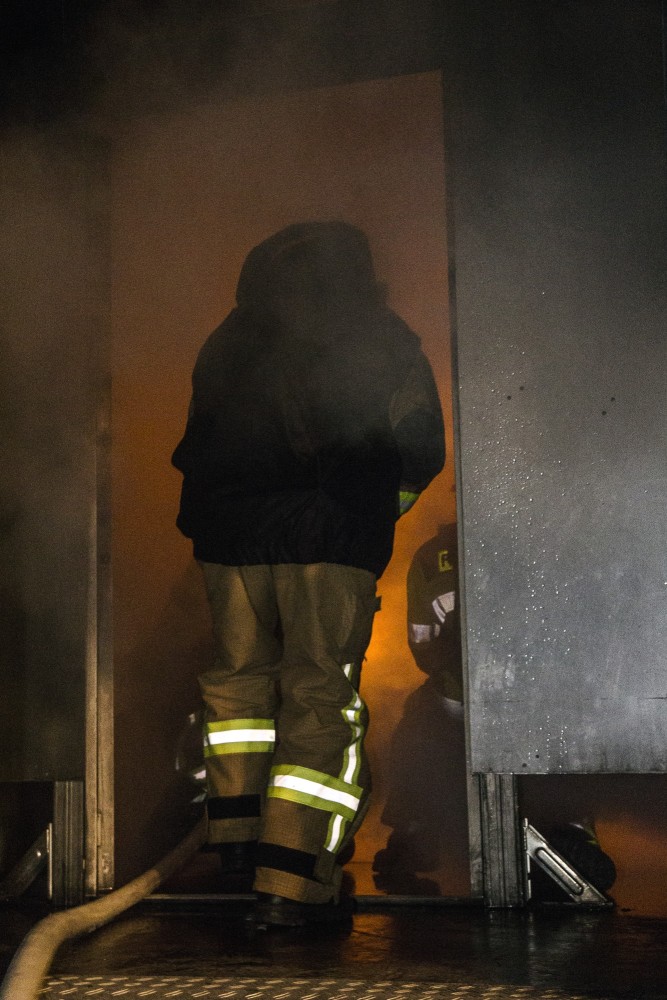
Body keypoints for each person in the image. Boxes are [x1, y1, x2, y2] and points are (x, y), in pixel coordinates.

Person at [171, 221, 445, 927]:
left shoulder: (227, 340)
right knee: (319, 695)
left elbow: (199, 437)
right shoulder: (380, 337)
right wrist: (371, 511)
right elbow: (420, 446)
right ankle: (293, 880)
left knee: (237, 686)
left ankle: (238, 846)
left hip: (228, 540)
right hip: (329, 536)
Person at [373, 522, 469, 895]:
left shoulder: (432, 556)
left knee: (418, 728)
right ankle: (570, 833)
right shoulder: (536, 538)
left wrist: (454, 670)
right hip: (530, 697)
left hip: (456, 693)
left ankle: (413, 835)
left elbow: (424, 646)